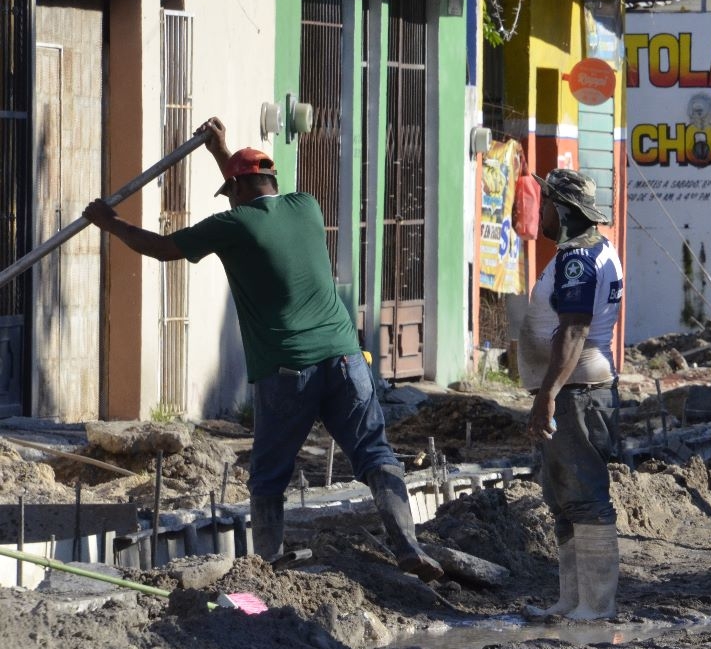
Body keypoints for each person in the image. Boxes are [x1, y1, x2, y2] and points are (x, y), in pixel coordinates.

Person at [81, 117, 444, 582]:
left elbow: (159, 248)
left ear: (235, 190)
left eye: (230, 190)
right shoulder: (307, 207)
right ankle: (409, 546)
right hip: (346, 360)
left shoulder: (233, 225)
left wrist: (109, 222)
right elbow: (251, 193)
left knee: (268, 479)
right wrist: (222, 151)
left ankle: (269, 565)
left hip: (286, 368)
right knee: (377, 456)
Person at [519, 169, 624, 621]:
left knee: (583, 497)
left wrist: (548, 394)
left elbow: (575, 329)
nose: (539, 212)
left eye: (544, 204)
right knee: (563, 498)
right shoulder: (583, 253)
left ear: (561, 210)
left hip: (576, 392)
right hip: (572, 388)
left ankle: (596, 606)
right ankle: (572, 600)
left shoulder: (578, 261)